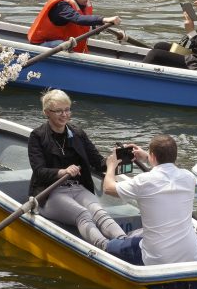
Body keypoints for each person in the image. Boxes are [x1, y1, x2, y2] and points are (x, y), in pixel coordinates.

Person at [27, 90, 127, 250]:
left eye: (67, 109)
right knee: (83, 214)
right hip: (50, 192)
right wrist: (62, 172)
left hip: (77, 187)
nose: (64, 114)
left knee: (99, 212)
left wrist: (116, 159)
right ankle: (106, 248)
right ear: (47, 113)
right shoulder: (37, 136)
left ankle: (125, 243)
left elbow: (98, 162)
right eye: (59, 111)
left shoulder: (78, 133)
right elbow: (39, 171)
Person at [102, 135, 197, 266]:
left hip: (157, 259)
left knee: (111, 246)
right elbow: (166, 173)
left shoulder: (143, 181)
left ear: (153, 156)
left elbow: (108, 188)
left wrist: (111, 166)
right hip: (194, 255)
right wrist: (147, 157)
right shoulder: (189, 177)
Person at [26, 0, 122, 53]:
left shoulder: (80, 2)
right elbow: (78, 18)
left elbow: (85, 25)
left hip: (60, 42)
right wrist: (103, 19)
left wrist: (98, 27)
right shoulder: (62, 5)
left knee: (73, 45)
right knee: (65, 45)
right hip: (41, 47)